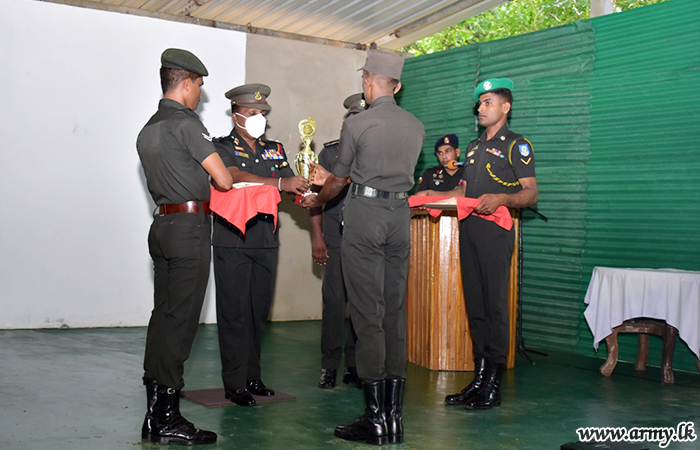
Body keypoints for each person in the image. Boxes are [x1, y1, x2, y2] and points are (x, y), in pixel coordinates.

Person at [302, 49, 425, 445]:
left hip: (366, 216)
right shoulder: (416, 125)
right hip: (400, 218)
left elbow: (339, 182)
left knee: (367, 313)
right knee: (393, 311)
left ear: (368, 82)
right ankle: (394, 418)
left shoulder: (358, 123)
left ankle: (374, 418)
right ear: (399, 85)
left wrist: (317, 199)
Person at [137, 48, 233, 445]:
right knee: (181, 321)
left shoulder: (148, 128)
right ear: (188, 82)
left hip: (161, 226)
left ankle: (153, 415)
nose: (199, 95)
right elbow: (224, 180)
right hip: (190, 229)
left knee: (163, 317)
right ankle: (168, 417)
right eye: (199, 86)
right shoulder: (187, 125)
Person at [212, 83, 309, 407]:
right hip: (233, 239)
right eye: (251, 113)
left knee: (257, 313)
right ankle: (234, 382)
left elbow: (290, 179)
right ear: (236, 114)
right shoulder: (222, 146)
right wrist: (279, 183)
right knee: (234, 313)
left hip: (266, 238)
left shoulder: (274, 149)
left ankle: (253, 377)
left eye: (262, 113)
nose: (258, 118)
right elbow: (232, 174)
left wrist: (307, 191)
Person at [443, 78, 538, 410]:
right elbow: (464, 191)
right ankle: (478, 379)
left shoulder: (517, 145)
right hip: (469, 229)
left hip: (496, 232)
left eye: (487, 103)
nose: (480, 108)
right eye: (479, 103)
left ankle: (493, 384)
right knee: (476, 306)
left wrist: (501, 198)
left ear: (505, 107)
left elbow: (530, 192)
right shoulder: (471, 146)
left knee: (495, 306)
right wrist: (429, 198)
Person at [310, 93, 366, 390]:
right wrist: (317, 236)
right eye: (353, 119)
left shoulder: (374, 151)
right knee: (334, 302)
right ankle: (329, 366)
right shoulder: (330, 152)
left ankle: (354, 365)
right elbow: (316, 199)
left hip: (365, 236)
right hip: (334, 235)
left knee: (360, 303)